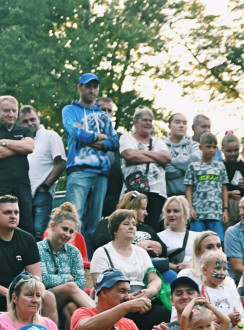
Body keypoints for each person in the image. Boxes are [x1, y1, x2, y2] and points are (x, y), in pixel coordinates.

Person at [89, 209, 172, 330]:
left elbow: (154, 279)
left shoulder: (141, 252)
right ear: (115, 230)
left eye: (134, 223)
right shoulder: (102, 252)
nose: (132, 227)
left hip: (141, 300)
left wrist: (148, 292)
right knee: (129, 318)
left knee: (164, 314)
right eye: (126, 223)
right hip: (115, 304)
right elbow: (100, 286)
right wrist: (127, 299)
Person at [63, 73, 118, 249]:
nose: (92, 90)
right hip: (79, 169)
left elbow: (115, 142)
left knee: (94, 221)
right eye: (88, 86)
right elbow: (76, 133)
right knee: (74, 217)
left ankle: (91, 262)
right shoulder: (70, 110)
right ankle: (71, 257)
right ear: (80, 87)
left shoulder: (103, 116)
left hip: (101, 172)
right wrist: (100, 137)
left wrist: (90, 138)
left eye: (95, 87)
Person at [38, 202, 94, 330]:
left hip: (65, 299)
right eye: (64, 229)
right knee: (70, 287)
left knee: (71, 309)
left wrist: (64, 281)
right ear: (53, 226)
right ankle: (102, 316)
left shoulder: (74, 252)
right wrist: (67, 278)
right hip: (42, 298)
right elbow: (43, 280)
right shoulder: (38, 248)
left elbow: (80, 283)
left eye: (71, 231)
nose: (67, 234)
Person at [0, 96, 34, 229]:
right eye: (6, 110)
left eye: (14, 110)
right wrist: (19, 147)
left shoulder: (25, 130)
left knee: (26, 227)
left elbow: (29, 147)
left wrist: (3, 142)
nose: (11, 114)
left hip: (22, 186)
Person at [120, 108, 171, 229]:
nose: (148, 123)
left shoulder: (158, 142)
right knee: (131, 223)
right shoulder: (126, 139)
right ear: (135, 122)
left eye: (150, 120)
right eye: (144, 120)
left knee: (153, 227)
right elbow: (129, 155)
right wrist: (156, 157)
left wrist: (141, 153)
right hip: (133, 189)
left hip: (156, 191)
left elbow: (166, 158)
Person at [21, 105, 66, 239]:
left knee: (39, 231)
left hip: (42, 194)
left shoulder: (50, 135)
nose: (30, 123)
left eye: (32, 119)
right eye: (25, 121)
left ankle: (41, 260)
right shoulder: (20, 140)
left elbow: (62, 162)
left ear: (39, 118)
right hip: (24, 194)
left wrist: (46, 186)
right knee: (26, 232)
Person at [92, 191, 166, 261]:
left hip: (149, 264)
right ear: (133, 208)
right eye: (143, 209)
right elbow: (100, 242)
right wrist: (137, 249)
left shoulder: (146, 228)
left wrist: (148, 243)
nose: (146, 213)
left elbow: (164, 250)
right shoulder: (107, 223)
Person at [185, 131, 229, 239]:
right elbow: (189, 189)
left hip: (215, 213)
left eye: (214, 147)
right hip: (198, 213)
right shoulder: (193, 167)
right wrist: (190, 208)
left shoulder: (220, 167)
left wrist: (225, 210)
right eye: (208, 146)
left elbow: (224, 189)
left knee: (217, 241)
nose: (211, 150)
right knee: (196, 241)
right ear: (200, 147)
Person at [164, 112, 199, 199]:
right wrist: (186, 169)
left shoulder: (194, 145)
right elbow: (164, 169)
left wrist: (170, 160)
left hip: (191, 198)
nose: (181, 125)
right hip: (168, 197)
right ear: (169, 126)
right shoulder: (161, 146)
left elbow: (196, 160)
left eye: (184, 123)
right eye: (177, 122)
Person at [157, 196, 196, 272]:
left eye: (176, 211)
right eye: (168, 211)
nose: (171, 214)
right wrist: (176, 267)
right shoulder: (159, 237)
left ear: (185, 213)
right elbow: (155, 261)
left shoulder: (197, 237)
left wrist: (192, 264)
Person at [222, 133, 244, 225]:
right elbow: (213, 191)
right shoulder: (219, 167)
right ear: (222, 150)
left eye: (236, 150)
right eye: (229, 151)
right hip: (227, 208)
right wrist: (228, 194)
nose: (233, 154)